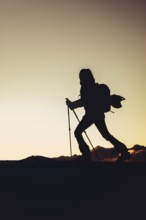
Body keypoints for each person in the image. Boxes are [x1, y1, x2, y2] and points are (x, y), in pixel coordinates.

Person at [66, 68, 131, 162]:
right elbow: (84, 101)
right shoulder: (92, 87)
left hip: (91, 115)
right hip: (97, 114)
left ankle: (86, 156)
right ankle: (124, 151)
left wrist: (72, 105)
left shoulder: (87, 88)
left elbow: (84, 101)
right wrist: (73, 105)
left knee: (78, 132)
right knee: (106, 135)